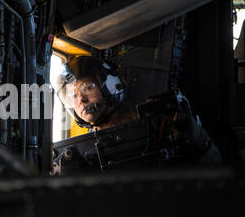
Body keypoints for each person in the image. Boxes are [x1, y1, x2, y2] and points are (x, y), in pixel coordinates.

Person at [53, 55, 222, 165]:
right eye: (72, 96)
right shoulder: (80, 152)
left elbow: (215, 169)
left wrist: (199, 140)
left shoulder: (156, 124)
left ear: (110, 87)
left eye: (87, 87)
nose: (81, 99)